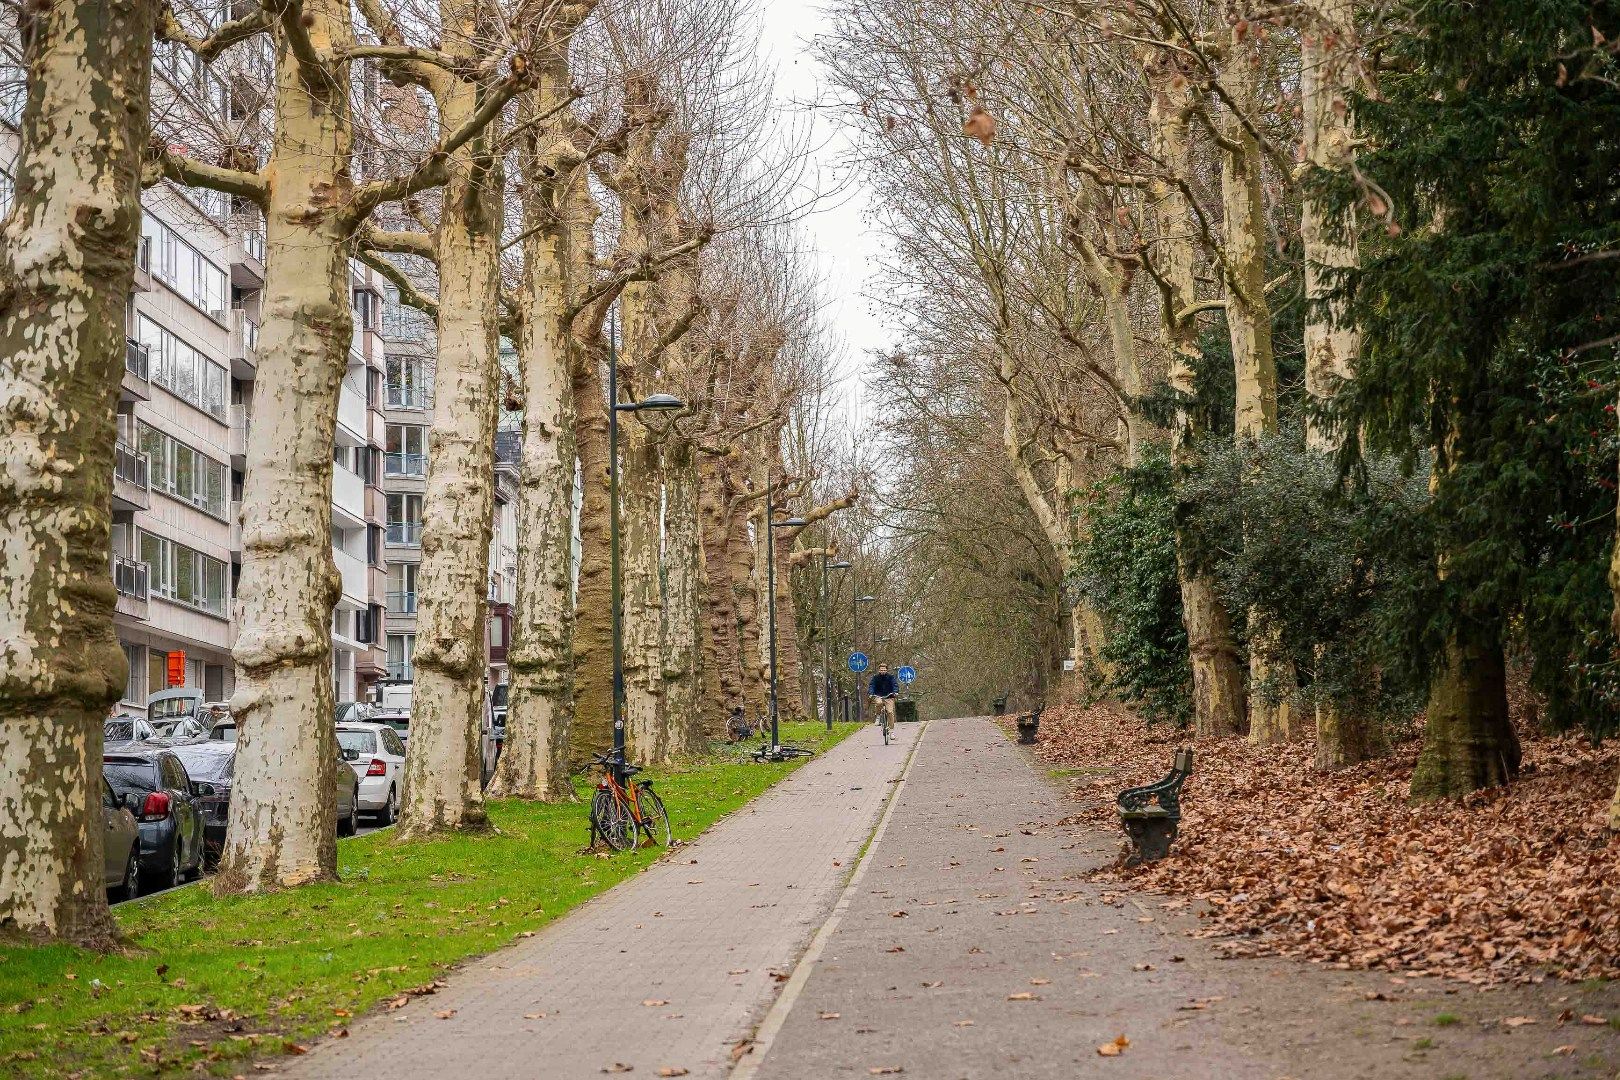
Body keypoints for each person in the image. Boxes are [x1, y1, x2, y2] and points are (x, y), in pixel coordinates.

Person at [868, 664, 899, 729]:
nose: (883, 671)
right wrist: (871, 693)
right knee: (879, 703)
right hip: (878, 696)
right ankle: (878, 716)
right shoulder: (875, 677)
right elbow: (872, 685)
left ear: (887, 670)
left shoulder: (891, 677)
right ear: (879, 670)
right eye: (881, 670)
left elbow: (895, 685)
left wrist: (895, 692)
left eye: (884, 670)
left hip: (889, 696)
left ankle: (891, 730)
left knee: (890, 712)